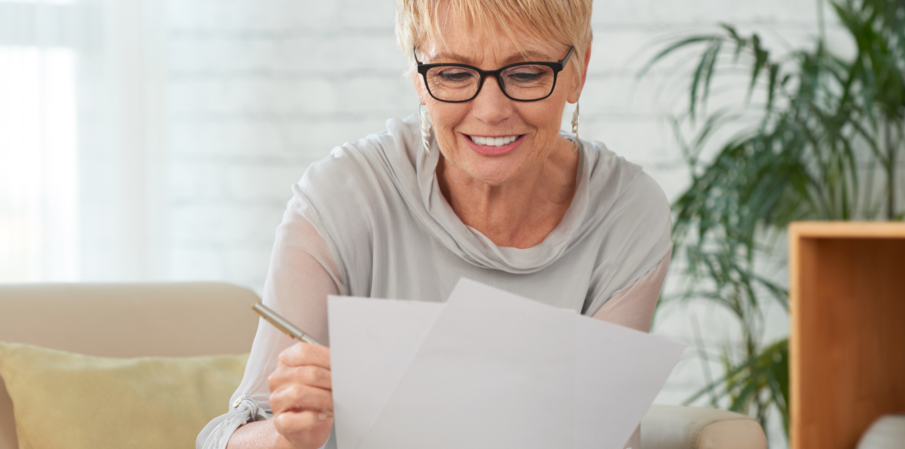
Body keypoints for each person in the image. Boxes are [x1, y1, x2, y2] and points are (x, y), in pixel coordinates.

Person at [197, 0, 671, 448]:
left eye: (527, 73)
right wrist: (286, 436)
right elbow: (230, 435)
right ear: (418, 77)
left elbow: (601, 437)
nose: (490, 111)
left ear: (579, 71)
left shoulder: (626, 212)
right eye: (453, 73)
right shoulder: (342, 197)